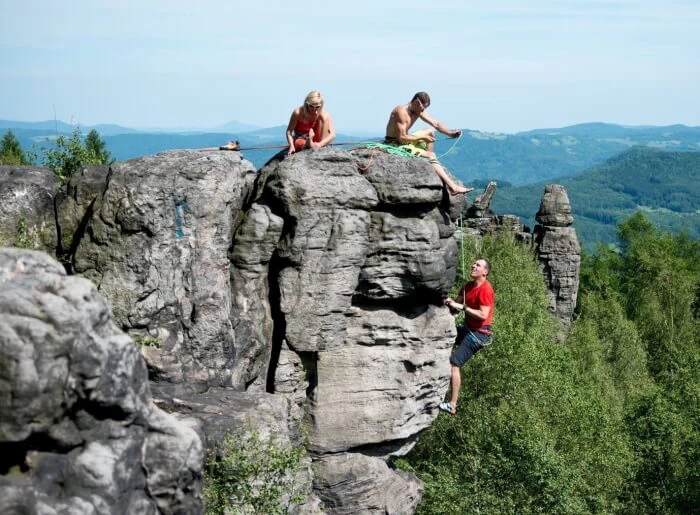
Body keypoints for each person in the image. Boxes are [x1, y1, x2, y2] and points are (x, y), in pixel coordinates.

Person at [385, 92, 472, 195]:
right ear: (417, 102)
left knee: (430, 131)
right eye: (422, 108)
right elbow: (402, 138)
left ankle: (429, 161)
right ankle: (453, 187)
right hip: (395, 143)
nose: (423, 110)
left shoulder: (417, 109)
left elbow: (435, 123)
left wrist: (450, 133)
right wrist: (421, 137)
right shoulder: (401, 112)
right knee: (431, 154)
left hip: (406, 139)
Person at [441, 258, 495, 415]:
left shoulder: (486, 289)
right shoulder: (468, 286)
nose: (473, 266)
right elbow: (455, 305)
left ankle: (452, 404)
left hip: (480, 333)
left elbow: (483, 314)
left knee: (454, 363)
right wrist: (448, 303)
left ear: (485, 272)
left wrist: (463, 307)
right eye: (473, 264)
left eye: (478, 265)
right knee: (443, 338)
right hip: (468, 328)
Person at [286, 91, 336, 156]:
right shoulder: (298, 113)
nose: (314, 109)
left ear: (321, 105)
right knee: (298, 142)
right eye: (311, 106)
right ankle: (307, 143)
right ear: (306, 104)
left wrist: (320, 144)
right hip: (300, 138)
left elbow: (332, 134)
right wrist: (291, 146)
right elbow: (289, 132)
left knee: (325, 117)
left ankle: (315, 144)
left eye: (317, 107)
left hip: (317, 140)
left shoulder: (323, 114)